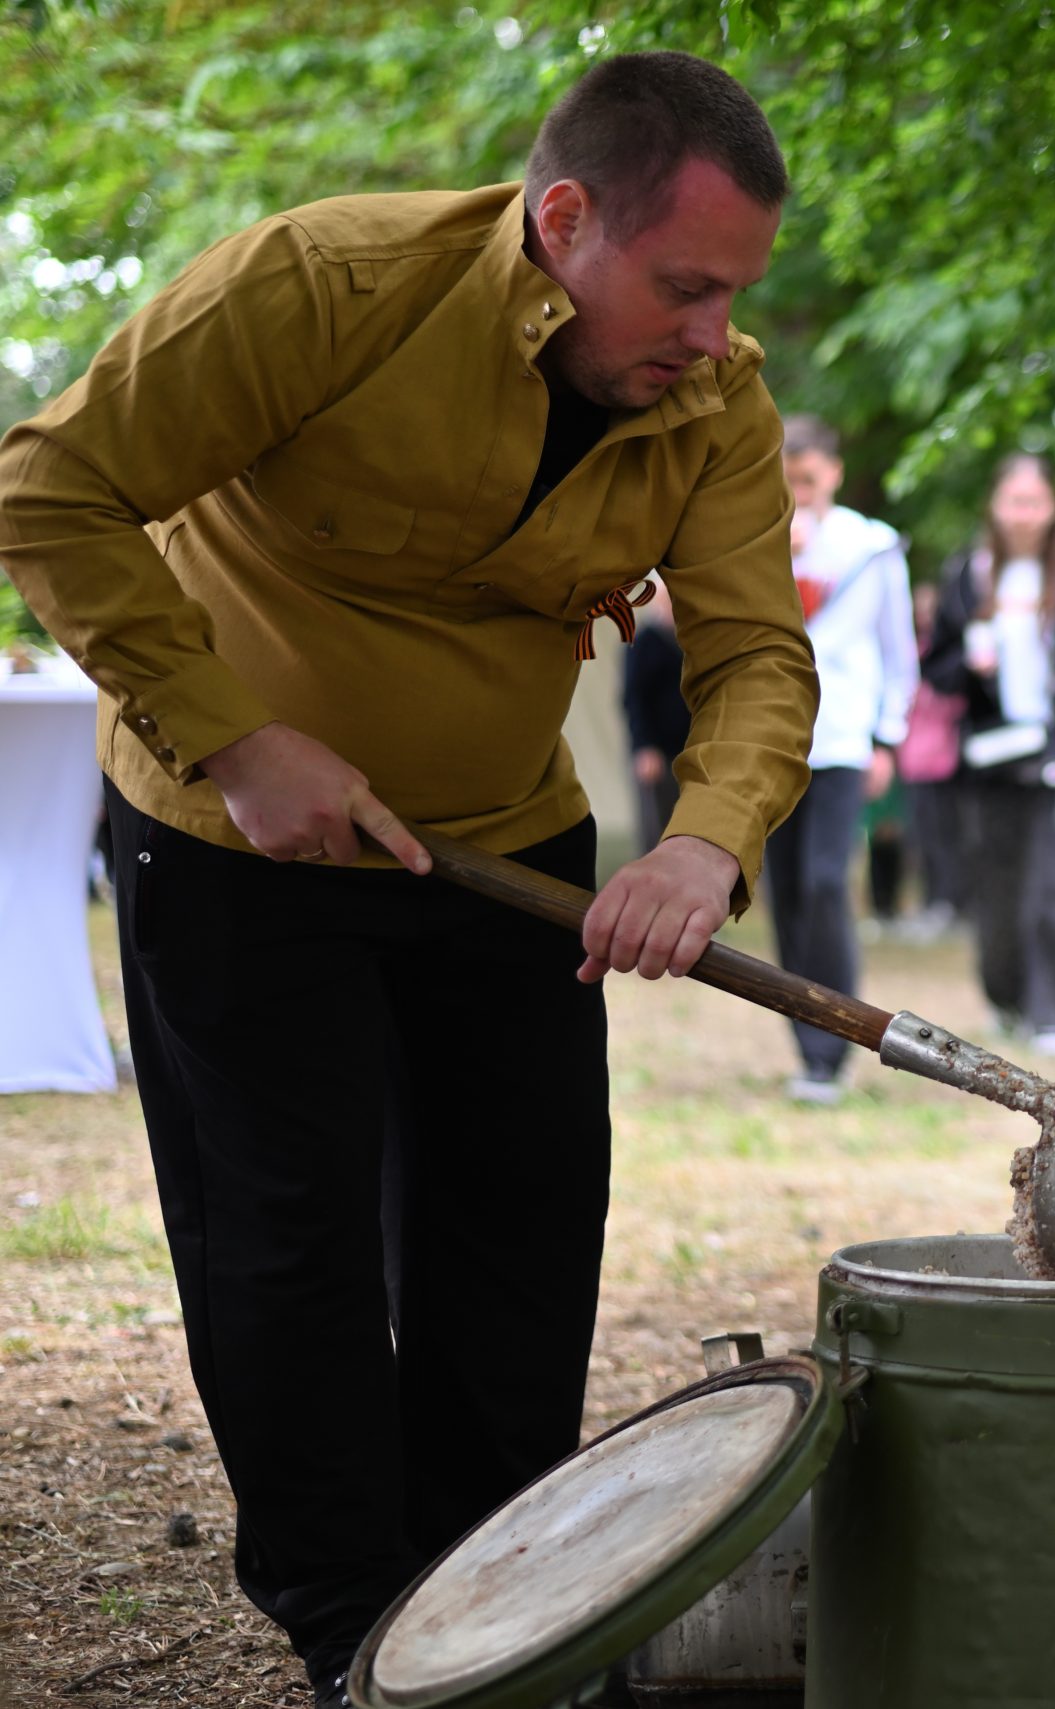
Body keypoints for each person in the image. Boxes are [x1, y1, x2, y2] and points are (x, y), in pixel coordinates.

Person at [0, 54, 815, 1706]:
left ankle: (504, 1601)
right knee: (284, 1241)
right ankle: (357, 1631)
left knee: (516, 1229)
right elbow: (50, 487)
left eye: (735, 295)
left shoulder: (715, 406)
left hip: (504, 843)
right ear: (563, 219)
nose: (715, 336)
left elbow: (753, 656)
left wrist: (702, 839)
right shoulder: (324, 285)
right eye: (686, 286)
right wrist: (236, 737)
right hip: (235, 837)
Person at [922, 453, 1055, 1055]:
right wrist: (972, 662)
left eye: (1035, 501)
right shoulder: (969, 576)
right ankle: (1007, 1001)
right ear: (995, 507)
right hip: (988, 756)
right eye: (1014, 501)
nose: (1025, 514)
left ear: (1053, 507)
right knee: (997, 887)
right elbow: (938, 669)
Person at [765, 415, 916, 1104]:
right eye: (784, 477)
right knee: (787, 889)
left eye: (807, 476)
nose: (797, 489)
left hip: (844, 736)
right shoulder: (751, 531)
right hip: (768, 738)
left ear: (832, 472)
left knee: (827, 881)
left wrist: (888, 734)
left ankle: (836, 1038)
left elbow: (897, 646)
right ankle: (807, 1043)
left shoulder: (872, 546)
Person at [894, 577, 970, 939]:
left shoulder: (949, 661)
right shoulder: (909, 655)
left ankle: (948, 902)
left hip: (943, 763)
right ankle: (930, 902)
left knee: (946, 839)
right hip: (913, 763)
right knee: (921, 840)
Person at [621, 574, 689, 852]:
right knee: (657, 833)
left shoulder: (693, 643)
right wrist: (644, 747)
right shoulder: (646, 641)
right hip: (658, 755)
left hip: (691, 751)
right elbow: (633, 698)